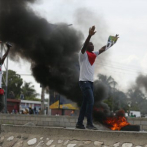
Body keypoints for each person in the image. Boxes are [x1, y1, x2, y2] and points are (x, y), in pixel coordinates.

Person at [76, 26, 118, 130]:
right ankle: (89, 124)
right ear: (86, 46)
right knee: (91, 101)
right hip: (84, 82)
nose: (92, 44)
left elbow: (102, 49)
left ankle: (79, 123)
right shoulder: (83, 55)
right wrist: (89, 35)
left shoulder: (93, 54)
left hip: (90, 83)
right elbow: (84, 46)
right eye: (90, 44)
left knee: (85, 104)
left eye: (93, 43)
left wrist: (112, 42)